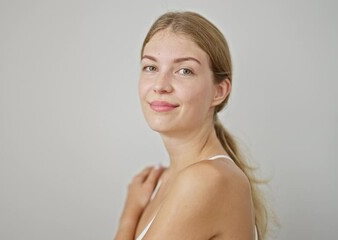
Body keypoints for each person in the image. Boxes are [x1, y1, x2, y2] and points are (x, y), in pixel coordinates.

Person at [115, 11, 271, 240]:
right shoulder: (166, 179)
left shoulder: (207, 180)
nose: (160, 85)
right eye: (151, 67)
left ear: (219, 91)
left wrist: (129, 215)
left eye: (184, 71)